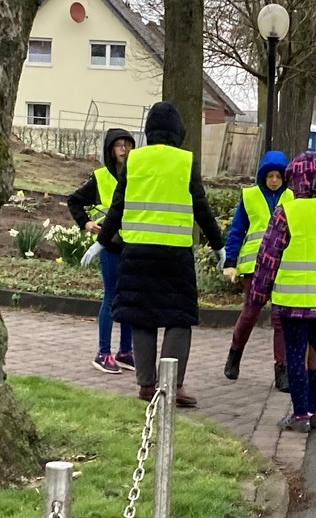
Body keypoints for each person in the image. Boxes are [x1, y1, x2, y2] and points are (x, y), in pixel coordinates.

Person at [81, 101, 226, 406]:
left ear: (149, 131)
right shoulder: (185, 161)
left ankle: (147, 386)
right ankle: (171, 387)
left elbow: (118, 206)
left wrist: (102, 242)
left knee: (142, 317)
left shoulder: (135, 161)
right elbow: (201, 207)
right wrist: (219, 245)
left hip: (137, 253)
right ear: (178, 131)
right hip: (175, 254)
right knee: (179, 318)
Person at [249, 151, 316, 433]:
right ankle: (315, 412)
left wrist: (257, 295)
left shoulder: (287, 212)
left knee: (295, 353)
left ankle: (300, 414)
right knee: (315, 351)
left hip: (293, 297)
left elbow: (268, 257)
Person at [222, 150, 293, 391]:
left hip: (283, 265)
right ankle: (235, 354)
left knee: (280, 319)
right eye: (270, 176)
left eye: (278, 176)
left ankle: (281, 369)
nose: (274, 180)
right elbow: (237, 230)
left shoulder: (293, 198)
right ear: (263, 176)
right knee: (250, 314)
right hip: (254, 267)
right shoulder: (250, 196)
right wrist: (230, 261)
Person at [67, 128, 135, 374]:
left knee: (128, 298)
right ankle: (103, 352)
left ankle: (126, 352)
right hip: (109, 246)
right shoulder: (101, 178)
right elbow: (73, 200)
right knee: (111, 297)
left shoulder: (137, 175)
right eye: (119, 145)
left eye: (128, 144)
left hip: (132, 245)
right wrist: (85, 223)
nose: (124, 149)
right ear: (110, 149)